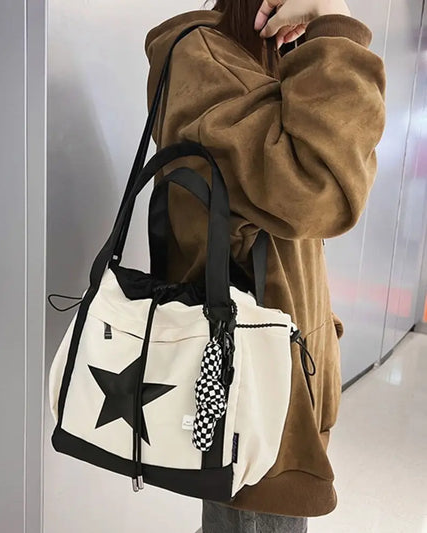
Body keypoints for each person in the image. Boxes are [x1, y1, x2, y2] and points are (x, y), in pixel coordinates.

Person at [145, 0, 386, 531]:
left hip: (275, 376)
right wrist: (334, 19)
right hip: (254, 389)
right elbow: (321, 188)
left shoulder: (259, 62)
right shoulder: (207, 60)